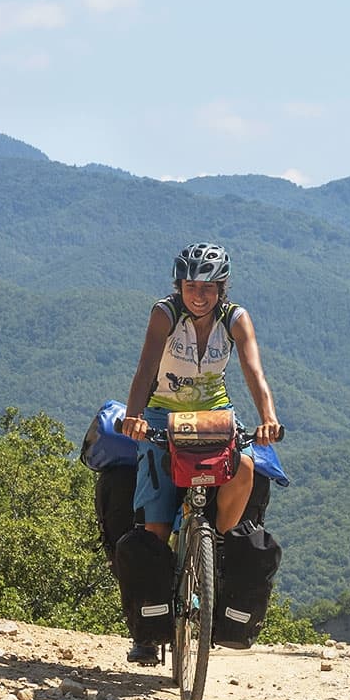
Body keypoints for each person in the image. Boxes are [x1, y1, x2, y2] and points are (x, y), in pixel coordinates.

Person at [119, 242, 282, 663]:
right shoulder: (165, 314)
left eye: (208, 286)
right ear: (180, 285)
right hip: (162, 414)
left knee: (244, 466)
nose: (199, 294)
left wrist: (268, 418)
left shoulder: (235, 319)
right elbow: (144, 370)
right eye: (191, 285)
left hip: (214, 415)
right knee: (153, 526)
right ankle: (148, 632)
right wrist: (135, 417)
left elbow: (254, 372)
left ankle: (213, 544)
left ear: (221, 288)